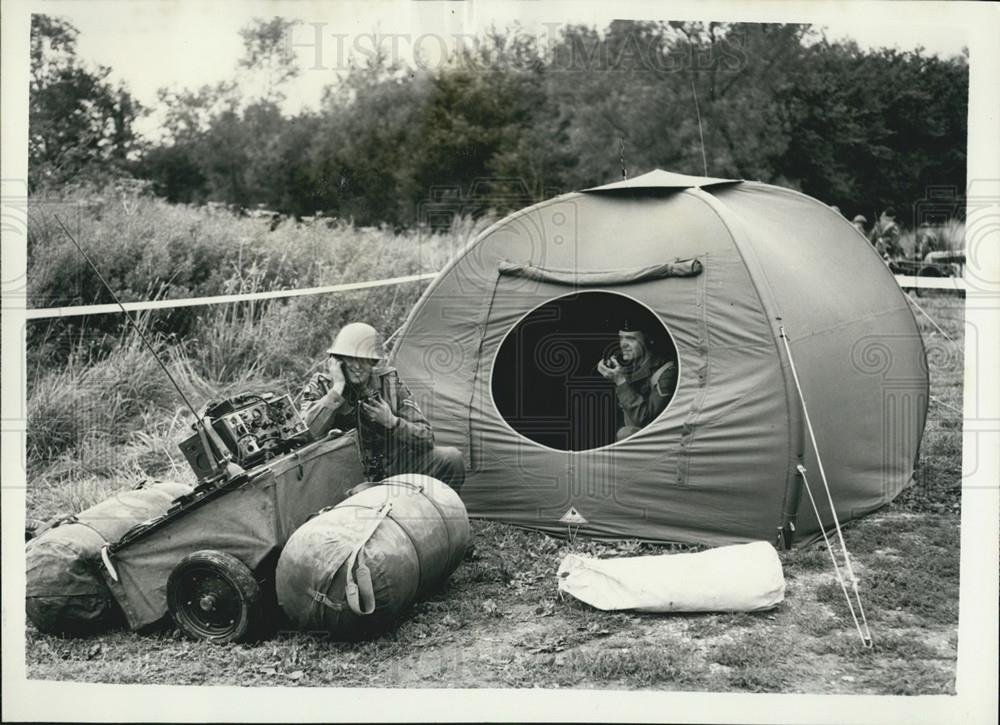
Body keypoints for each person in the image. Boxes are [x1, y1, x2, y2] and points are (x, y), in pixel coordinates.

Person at [301, 322, 465, 493]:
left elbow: (426, 439)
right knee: (361, 494)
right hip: (347, 478)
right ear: (338, 361)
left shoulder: (390, 383)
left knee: (451, 459)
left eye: (364, 360)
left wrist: (392, 422)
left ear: (373, 361)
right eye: (351, 358)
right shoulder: (322, 387)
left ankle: (440, 514)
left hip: (395, 468)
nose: (357, 366)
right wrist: (336, 391)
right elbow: (307, 434)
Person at [596, 321, 678, 441]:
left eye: (631, 339)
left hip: (654, 441)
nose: (623, 344)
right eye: (621, 338)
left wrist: (620, 380)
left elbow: (646, 421)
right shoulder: (627, 367)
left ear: (648, 341)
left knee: (626, 433)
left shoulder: (667, 372)